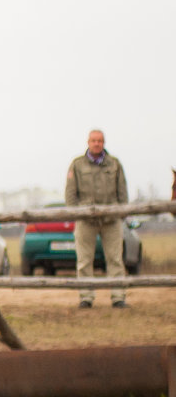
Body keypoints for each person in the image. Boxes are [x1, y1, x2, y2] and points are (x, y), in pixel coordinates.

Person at [65, 129, 129, 309]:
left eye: (100, 141)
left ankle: (118, 297)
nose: (96, 144)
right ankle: (86, 296)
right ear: (88, 142)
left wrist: (122, 212)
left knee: (115, 259)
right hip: (86, 220)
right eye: (93, 140)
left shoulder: (114, 164)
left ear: (104, 143)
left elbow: (122, 191)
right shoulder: (77, 165)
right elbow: (70, 193)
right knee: (84, 261)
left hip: (111, 219)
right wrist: (75, 213)